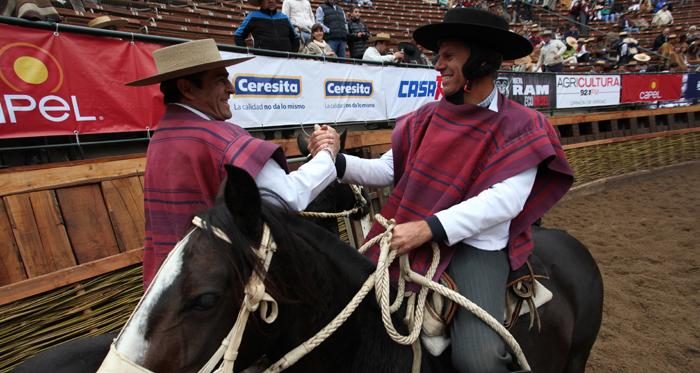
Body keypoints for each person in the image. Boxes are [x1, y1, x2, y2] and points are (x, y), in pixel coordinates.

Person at [309, 9, 573, 373]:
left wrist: (427, 228)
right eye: (438, 55)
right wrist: (337, 160)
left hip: (474, 246)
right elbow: (389, 170)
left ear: (481, 60)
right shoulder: (426, 116)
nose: (438, 64)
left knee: (477, 360)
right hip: (411, 233)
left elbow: (505, 201)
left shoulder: (523, 125)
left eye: (449, 55)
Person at [126, 39, 341, 287]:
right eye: (219, 80)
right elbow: (288, 196)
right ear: (186, 88)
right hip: (216, 293)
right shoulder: (220, 137)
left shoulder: (160, 137)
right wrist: (327, 153)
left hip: (166, 287)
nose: (231, 88)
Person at [234, 0, 300, 53]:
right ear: (260, 2)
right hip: (262, 61)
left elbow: (295, 38)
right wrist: (246, 53)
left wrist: (292, 55)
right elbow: (238, 36)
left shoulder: (284, 17)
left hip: (284, 62)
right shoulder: (253, 16)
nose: (270, 1)